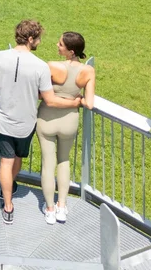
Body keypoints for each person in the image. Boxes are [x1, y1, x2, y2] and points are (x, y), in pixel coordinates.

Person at [0, 20, 83, 225]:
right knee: (16, 160)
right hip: (26, 123)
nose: (41, 42)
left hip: (2, 121)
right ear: (30, 39)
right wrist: (75, 102)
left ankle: (7, 206)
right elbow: (50, 99)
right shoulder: (40, 66)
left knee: (5, 162)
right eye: (39, 38)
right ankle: (9, 189)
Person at [37, 31, 95, 225]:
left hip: (46, 118)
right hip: (69, 121)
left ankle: (50, 208)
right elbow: (89, 103)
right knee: (64, 161)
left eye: (60, 44)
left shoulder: (51, 66)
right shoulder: (88, 71)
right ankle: (62, 206)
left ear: (70, 51)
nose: (56, 45)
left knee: (48, 163)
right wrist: (76, 100)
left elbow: (39, 94)